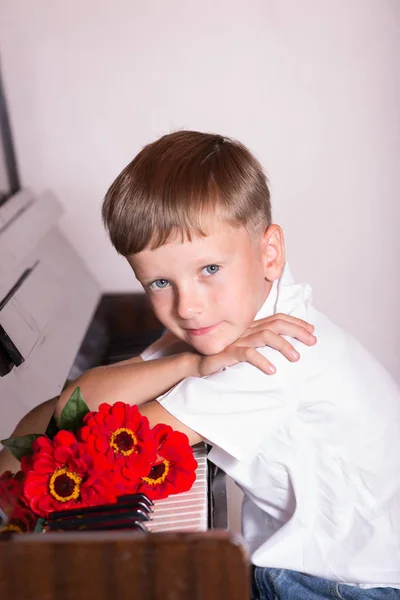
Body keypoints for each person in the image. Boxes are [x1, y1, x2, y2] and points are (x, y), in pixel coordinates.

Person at [6, 130, 400, 598]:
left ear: (269, 253)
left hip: (345, 587)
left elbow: (64, 446)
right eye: (158, 283)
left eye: (209, 269)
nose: (187, 306)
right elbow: (56, 419)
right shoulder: (219, 327)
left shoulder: (271, 354)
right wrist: (187, 365)